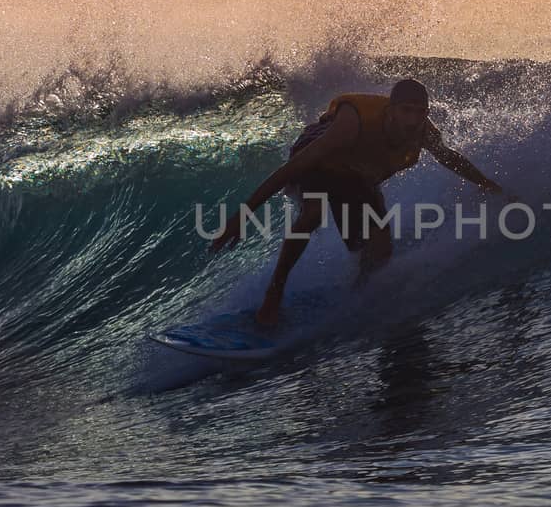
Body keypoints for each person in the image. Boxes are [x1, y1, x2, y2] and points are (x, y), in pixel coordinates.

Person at [210, 78, 502, 326]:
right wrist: (243, 214)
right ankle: (274, 294)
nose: (413, 120)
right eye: (406, 111)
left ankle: (358, 296)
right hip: (319, 159)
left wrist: (488, 185)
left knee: (381, 247)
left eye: (420, 112)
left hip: (354, 174)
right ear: (391, 109)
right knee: (313, 212)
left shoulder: (424, 133)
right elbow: (293, 168)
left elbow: (449, 158)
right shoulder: (355, 122)